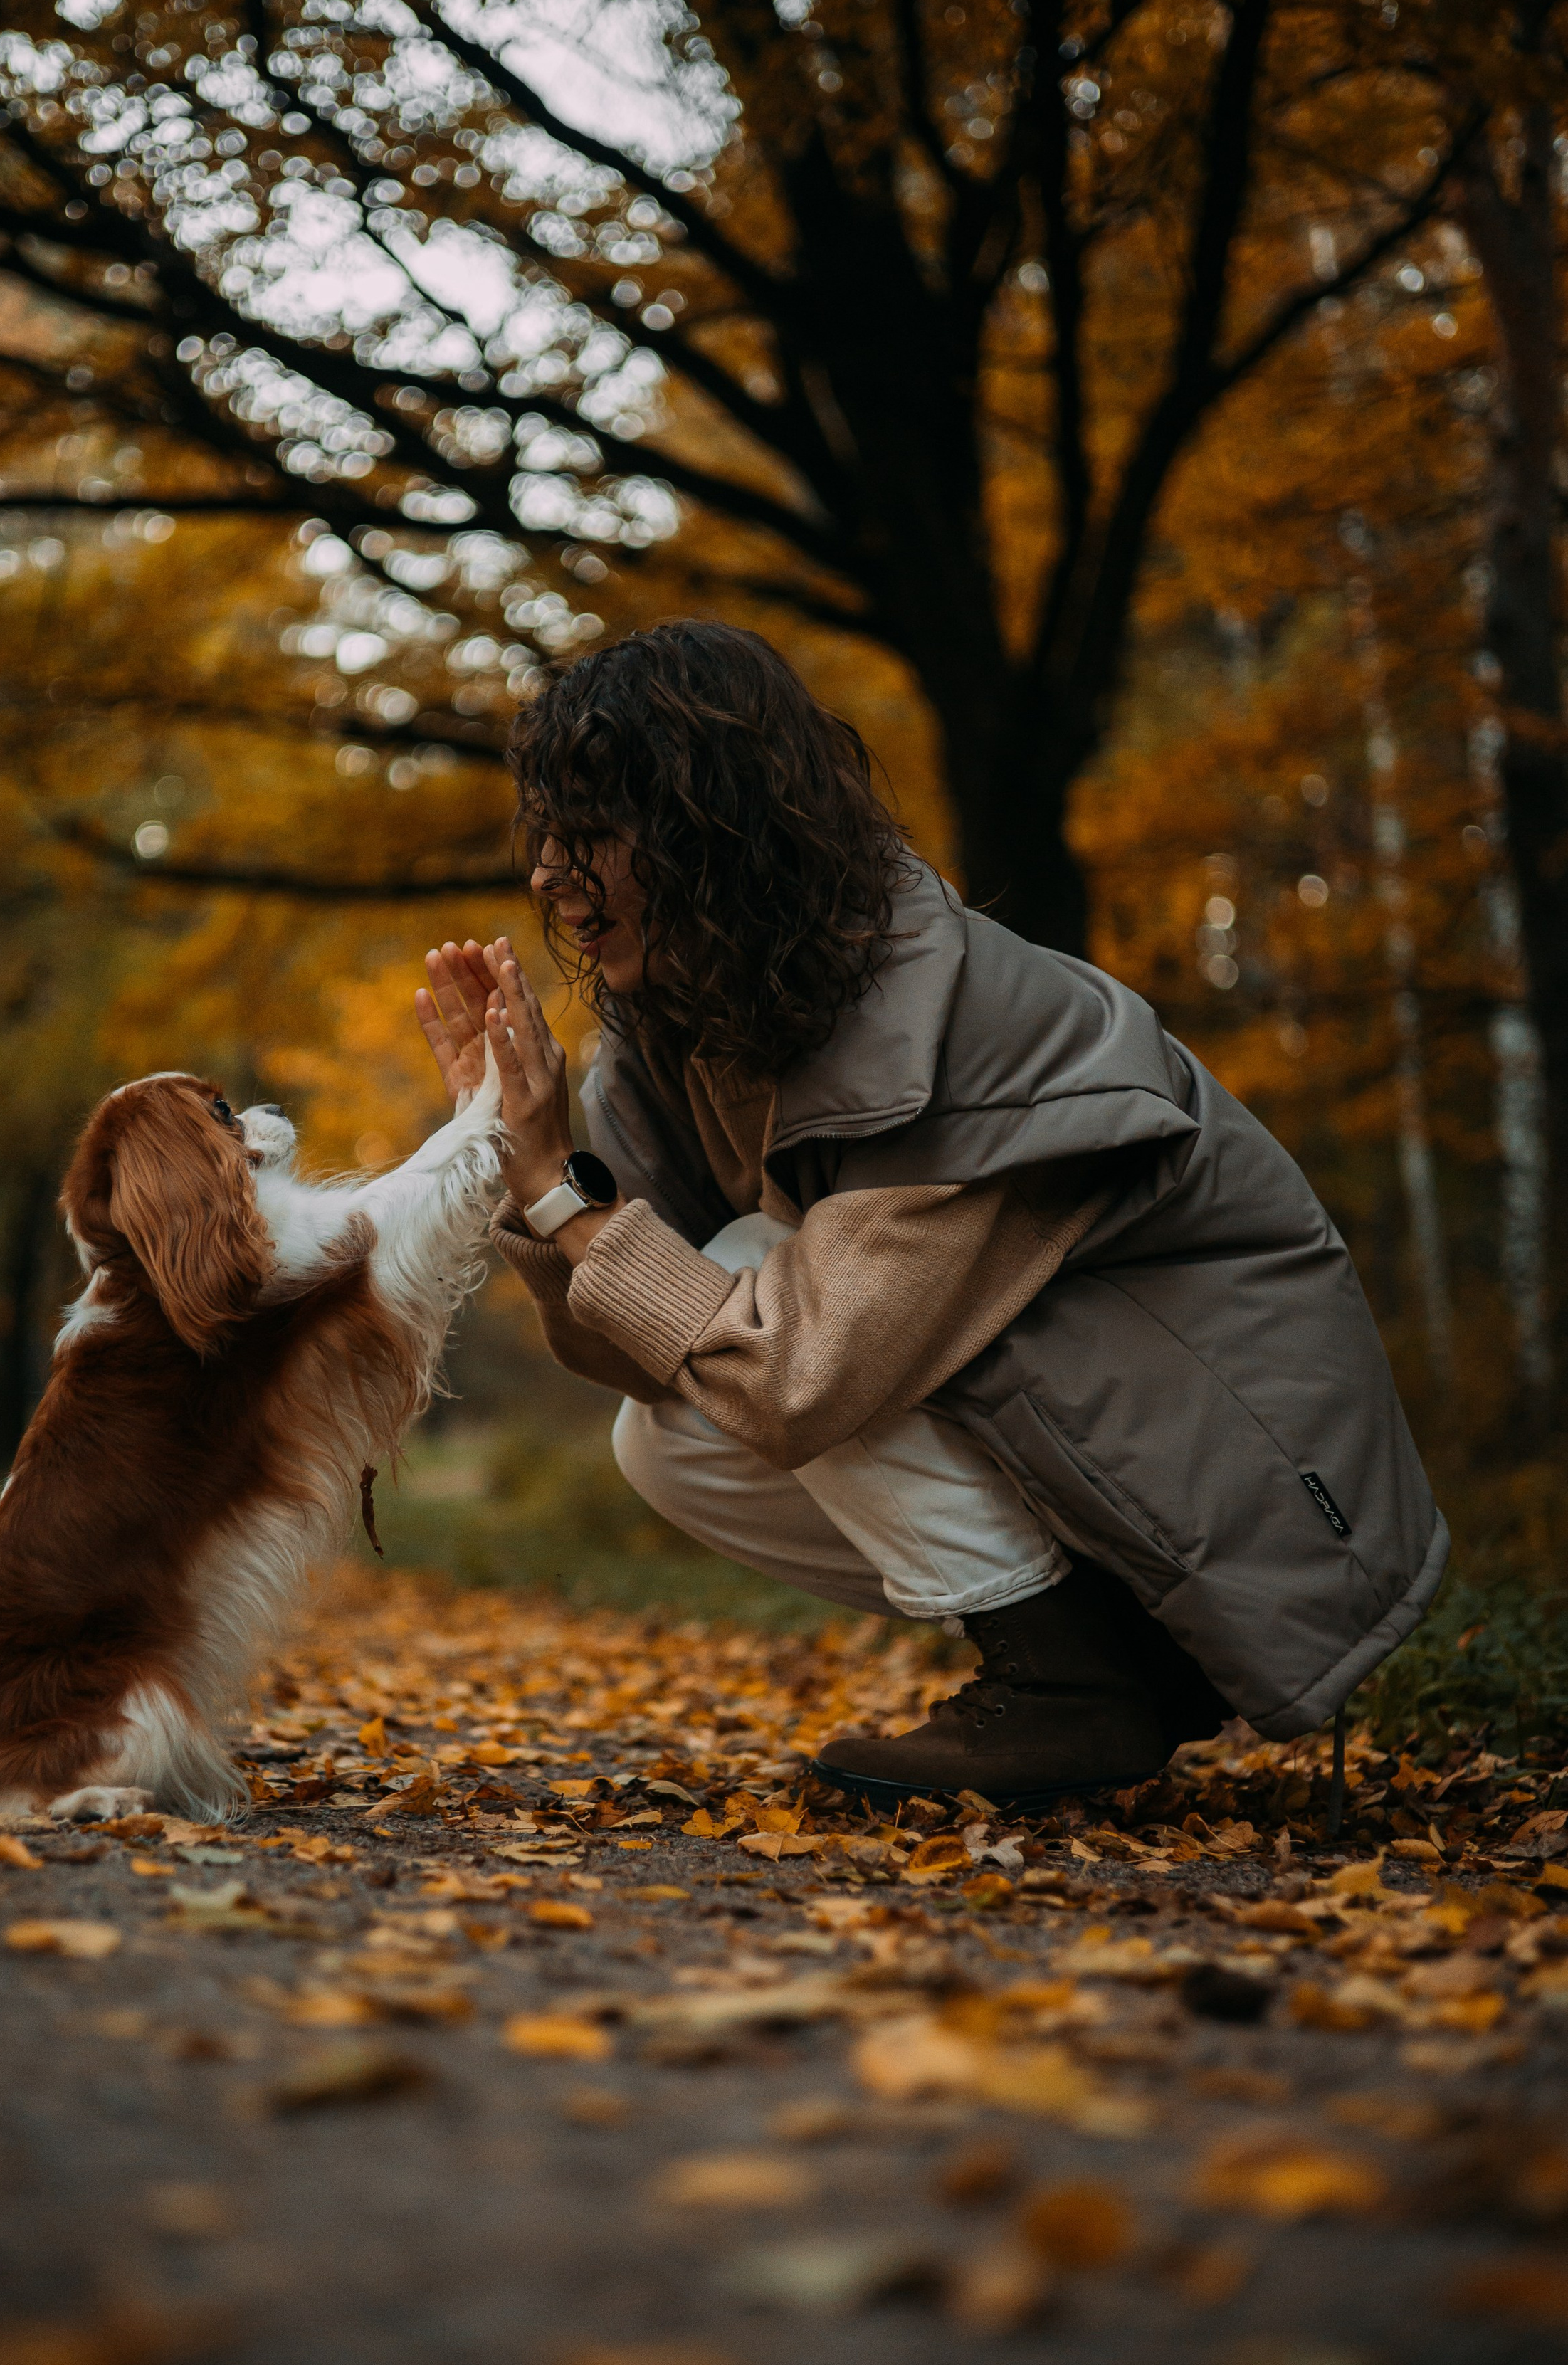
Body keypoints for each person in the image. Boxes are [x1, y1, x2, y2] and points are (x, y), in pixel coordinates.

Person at [414, 621, 1446, 1805]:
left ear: (710, 832)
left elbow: (798, 1375)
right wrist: (519, 1165)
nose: (546, 874)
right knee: (668, 1434)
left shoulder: (971, 1030)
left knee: (757, 1290)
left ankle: (1069, 1682)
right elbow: (636, 1355)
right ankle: (1107, 1661)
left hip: (1277, 1509)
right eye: (545, 835)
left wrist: (559, 1191)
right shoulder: (681, 1033)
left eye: (587, 834)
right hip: (1090, 1452)